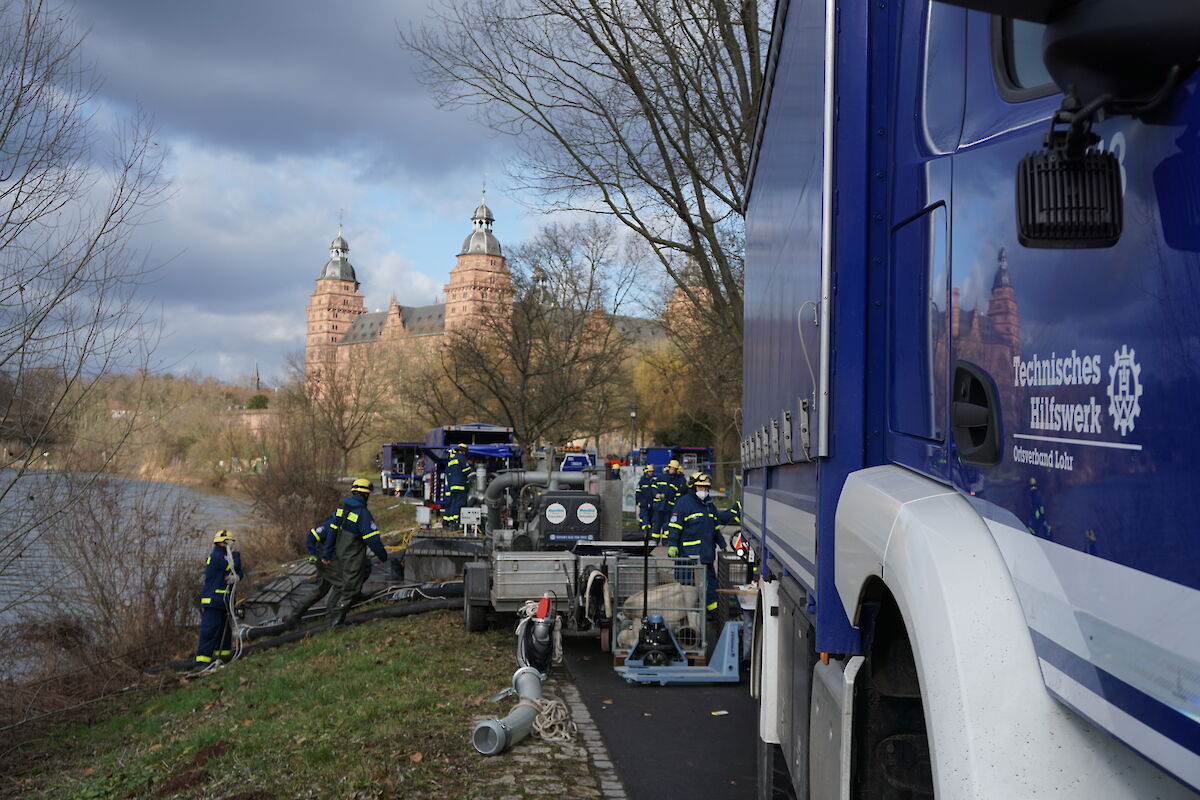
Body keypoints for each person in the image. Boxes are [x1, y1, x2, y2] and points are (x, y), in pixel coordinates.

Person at [665, 473, 741, 617]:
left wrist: (723, 544)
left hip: (706, 552)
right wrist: (672, 544)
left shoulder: (709, 505)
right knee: (685, 584)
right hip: (687, 553)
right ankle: (686, 614)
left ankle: (711, 612)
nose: (703, 490)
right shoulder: (683, 503)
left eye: (706, 488)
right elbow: (675, 526)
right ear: (693, 487)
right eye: (700, 487)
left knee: (710, 583)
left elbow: (715, 527)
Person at [323, 478, 388, 625]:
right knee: (351, 589)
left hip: (339, 555)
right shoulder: (363, 514)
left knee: (341, 585)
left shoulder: (341, 509)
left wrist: (327, 553)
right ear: (365, 495)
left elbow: (331, 533)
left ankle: (328, 616)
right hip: (352, 557)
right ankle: (336, 623)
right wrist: (383, 556)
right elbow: (372, 540)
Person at [281, 517, 343, 629]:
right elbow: (311, 536)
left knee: (321, 589)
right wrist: (312, 554)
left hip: (330, 558)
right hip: (324, 559)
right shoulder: (332, 524)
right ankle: (332, 618)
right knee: (341, 584)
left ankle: (293, 616)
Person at [195, 530, 244, 667]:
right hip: (214, 600)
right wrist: (235, 555)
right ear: (223, 542)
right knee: (210, 630)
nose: (233, 545)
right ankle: (202, 662)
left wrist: (237, 576)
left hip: (224, 600)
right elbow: (233, 565)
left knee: (225, 631)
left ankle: (223, 656)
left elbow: (239, 570)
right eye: (230, 542)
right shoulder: (217, 556)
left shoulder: (224, 556)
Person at [650, 460, 686, 542]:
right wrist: (656, 494)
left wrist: (676, 506)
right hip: (659, 505)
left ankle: (665, 541)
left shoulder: (677, 481)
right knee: (657, 524)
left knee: (667, 525)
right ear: (668, 468)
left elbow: (677, 495)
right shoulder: (661, 477)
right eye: (671, 468)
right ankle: (655, 540)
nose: (672, 470)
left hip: (669, 507)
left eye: (674, 469)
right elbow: (653, 487)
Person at [442, 443, 470, 529]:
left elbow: (448, 473)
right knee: (459, 504)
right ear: (463, 451)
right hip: (461, 486)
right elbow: (466, 471)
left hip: (452, 487)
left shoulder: (451, 461)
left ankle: (447, 522)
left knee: (452, 504)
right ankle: (456, 522)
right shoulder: (462, 459)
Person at [635, 465, 656, 537]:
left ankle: (649, 532)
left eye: (652, 471)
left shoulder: (654, 481)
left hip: (652, 503)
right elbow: (638, 493)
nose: (651, 473)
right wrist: (639, 502)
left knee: (652, 518)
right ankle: (645, 532)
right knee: (644, 517)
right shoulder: (642, 481)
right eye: (650, 471)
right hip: (644, 503)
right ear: (646, 472)